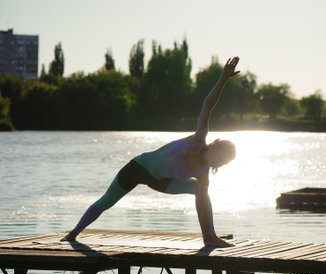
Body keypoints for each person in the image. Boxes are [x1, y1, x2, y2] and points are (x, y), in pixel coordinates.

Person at [61, 57, 241, 248]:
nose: (220, 163)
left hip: (160, 182)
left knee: (200, 190)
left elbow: (202, 203)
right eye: (221, 157)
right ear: (213, 146)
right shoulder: (198, 139)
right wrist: (223, 79)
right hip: (138, 168)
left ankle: (209, 237)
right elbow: (208, 104)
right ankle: (73, 233)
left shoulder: (203, 174)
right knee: (107, 201)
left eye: (224, 163)